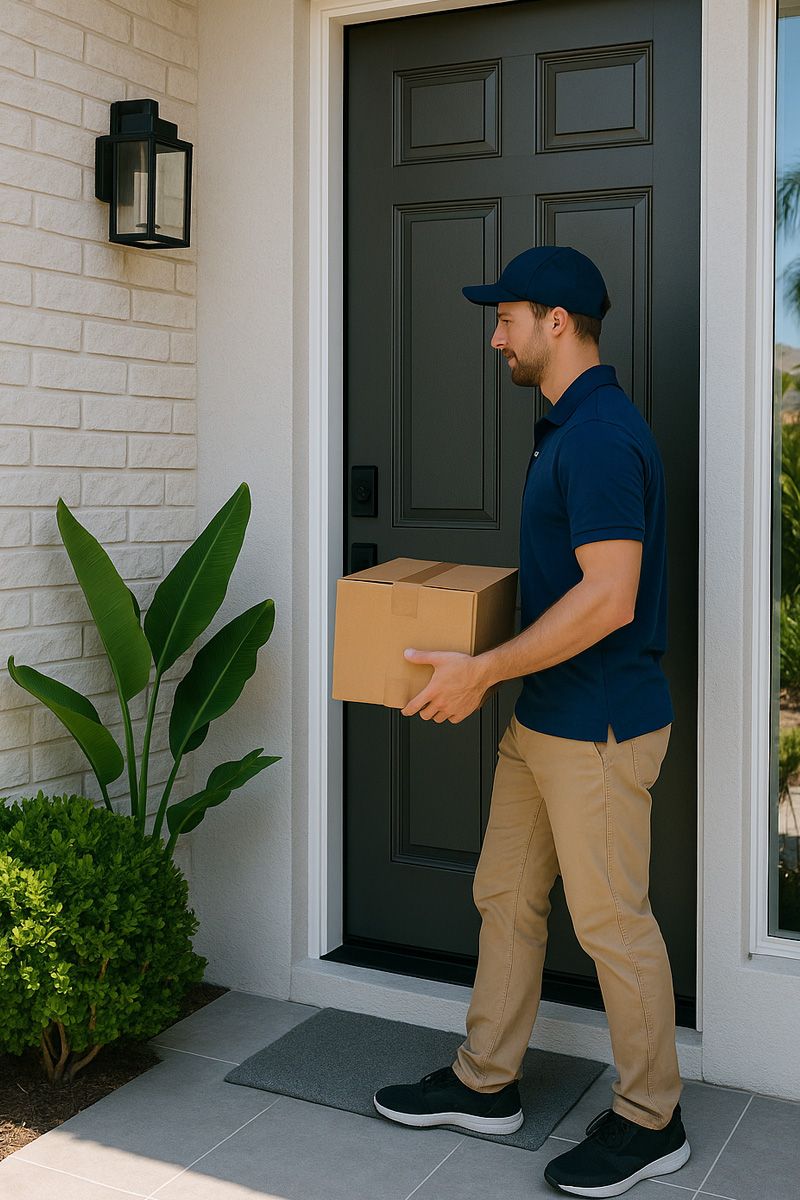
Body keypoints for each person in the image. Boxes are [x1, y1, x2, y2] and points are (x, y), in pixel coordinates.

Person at [372, 246, 691, 1198]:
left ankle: (651, 1118)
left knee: (612, 925)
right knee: (506, 896)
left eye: (506, 316)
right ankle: (486, 1082)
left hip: (596, 725)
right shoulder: (566, 429)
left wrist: (482, 671)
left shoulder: (595, 437)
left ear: (558, 322)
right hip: (546, 716)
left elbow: (609, 597)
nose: (495, 334)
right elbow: (565, 586)